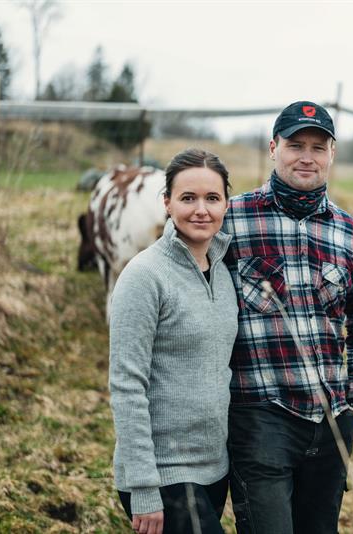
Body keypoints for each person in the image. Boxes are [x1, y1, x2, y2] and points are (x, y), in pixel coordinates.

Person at [222, 101, 353, 533]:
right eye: (296, 145)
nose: (306, 157)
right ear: (273, 148)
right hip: (260, 415)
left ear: (332, 154)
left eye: (318, 147)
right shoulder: (231, 220)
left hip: (331, 420)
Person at [109, 148, 239, 534]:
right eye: (187, 198)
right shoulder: (144, 276)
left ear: (226, 204)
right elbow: (126, 385)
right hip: (163, 473)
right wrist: (144, 487)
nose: (201, 210)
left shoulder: (224, 272)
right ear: (167, 203)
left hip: (213, 470)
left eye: (212, 198)